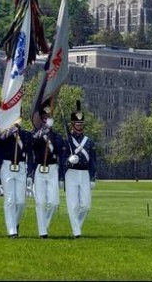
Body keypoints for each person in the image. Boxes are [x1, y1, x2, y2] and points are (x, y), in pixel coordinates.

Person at [30, 106, 65, 239]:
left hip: (52, 170)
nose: (47, 120)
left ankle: (44, 224)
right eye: (44, 118)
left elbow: (61, 157)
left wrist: (61, 176)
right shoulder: (35, 134)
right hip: (40, 169)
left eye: (49, 118)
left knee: (54, 202)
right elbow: (34, 141)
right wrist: (44, 129)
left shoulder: (57, 137)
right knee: (40, 202)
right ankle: (43, 231)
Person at [63, 101, 97, 238]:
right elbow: (62, 160)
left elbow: (93, 161)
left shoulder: (89, 141)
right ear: (72, 125)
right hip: (71, 173)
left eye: (81, 124)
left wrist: (93, 177)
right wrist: (68, 161)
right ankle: (77, 232)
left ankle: (77, 226)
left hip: (84, 174)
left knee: (86, 205)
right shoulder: (67, 140)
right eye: (77, 124)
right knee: (73, 205)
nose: (79, 126)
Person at [0, 120, 33, 238]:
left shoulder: (26, 135)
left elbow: (30, 154)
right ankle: (12, 230)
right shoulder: (4, 134)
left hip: (21, 167)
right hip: (7, 166)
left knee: (21, 202)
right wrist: (10, 131)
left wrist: (30, 172)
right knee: (10, 200)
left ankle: (15, 223)